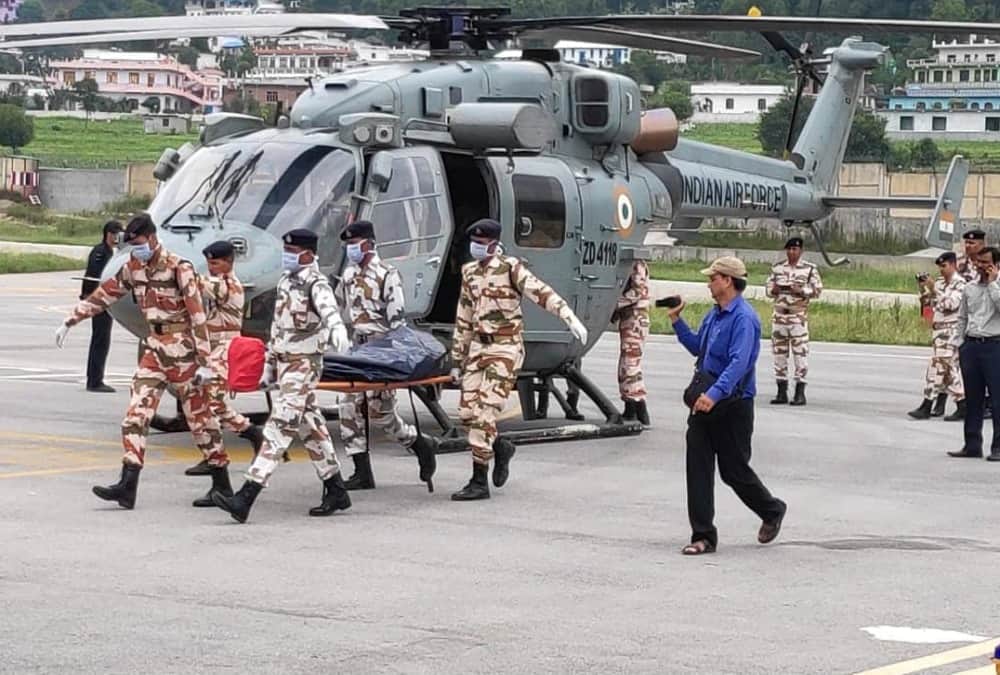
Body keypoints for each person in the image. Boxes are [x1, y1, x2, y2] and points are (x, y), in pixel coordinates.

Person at [54, 214, 230, 509]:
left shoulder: (179, 267)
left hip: (183, 353)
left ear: (151, 237)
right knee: (135, 416)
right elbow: (106, 294)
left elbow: (197, 316)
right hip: (155, 350)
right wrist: (72, 319)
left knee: (201, 421)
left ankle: (221, 485)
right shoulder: (134, 266)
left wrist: (204, 361)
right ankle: (127, 484)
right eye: (131, 245)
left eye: (138, 243)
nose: (135, 249)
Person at [213, 228, 352, 523]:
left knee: (279, 427)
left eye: (293, 252)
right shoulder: (287, 282)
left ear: (308, 254)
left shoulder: (317, 284)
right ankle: (336, 488)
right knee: (312, 426)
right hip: (285, 362)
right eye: (286, 251)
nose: (287, 256)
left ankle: (246, 495)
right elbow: (278, 329)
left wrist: (337, 329)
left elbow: (329, 311)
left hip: (304, 364)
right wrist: (269, 366)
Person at [449, 218, 589, 501]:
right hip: (477, 349)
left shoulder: (511, 269)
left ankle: (479, 480)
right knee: (467, 414)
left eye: (481, 242)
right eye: (473, 242)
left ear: (493, 243)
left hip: (505, 348)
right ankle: (500, 446)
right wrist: (456, 359)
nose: (476, 247)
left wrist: (567, 316)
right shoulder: (469, 273)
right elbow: (463, 316)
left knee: (485, 411)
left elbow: (541, 292)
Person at [668, 256, 787, 556]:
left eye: (713, 278)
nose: (709, 283)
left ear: (728, 281)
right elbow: (699, 348)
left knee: (733, 470)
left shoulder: (744, 319)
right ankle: (703, 536)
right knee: (698, 467)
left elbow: (739, 363)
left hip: (732, 404)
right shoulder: (714, 315)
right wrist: (676, 321)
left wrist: (715, 395)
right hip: (704, 401)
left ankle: (771, 509)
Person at [334, 220, 437, 492]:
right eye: (348, 245)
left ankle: (419, 443)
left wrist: (397, 356)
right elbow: (341, 311)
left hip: (382, 349)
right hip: (357, 349)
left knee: (381, 413)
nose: (351, 249)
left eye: (354, 244)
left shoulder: (387, 274)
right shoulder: (348, 275)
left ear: (369, 243)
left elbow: (396, 319)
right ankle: (361, 472)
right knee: (348, 407)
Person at [182, 240, 266, 493]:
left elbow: (196, 283)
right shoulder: (217, 283)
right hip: (211, 351)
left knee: (215, 403)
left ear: (229, 262)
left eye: (216, 262)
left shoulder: (228, 285)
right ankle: (212, 455)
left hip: (225, 351)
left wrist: (178, 266)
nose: (211, 266)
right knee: (199, 403)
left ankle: (251, 432)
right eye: (209, 262)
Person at [949, 246, 1000, 461]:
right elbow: (962, 318)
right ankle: (972, 444)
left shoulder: (997, 287)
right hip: (972, 346)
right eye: (978, 262)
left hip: (994, 346)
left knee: (997, 400)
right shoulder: (969, 288)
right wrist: (959, 343)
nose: (980, 266)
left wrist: (993, 283)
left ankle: (998, 447)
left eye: (986, 262)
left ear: (996, 265)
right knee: (973, 398)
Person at [908, 252, 966, 421]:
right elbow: (928, 304)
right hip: (938, 330)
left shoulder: (960, 284)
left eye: (944, 266)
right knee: (942, 368)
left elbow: (951, 304)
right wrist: (923, 288)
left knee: (943, 366)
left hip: (951, 330)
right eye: (939, 267)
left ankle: (935, 404)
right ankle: (938, 404)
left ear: (953, 265)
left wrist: (934, 290)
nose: (941, 270)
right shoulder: (940, 283)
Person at [765, 236, 822, 406]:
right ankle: (781, 391)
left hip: (797, 317)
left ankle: (800, 392)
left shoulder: (809, 269)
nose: (791, 252)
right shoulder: (777, 268)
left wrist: (802, 290)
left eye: (794, 249)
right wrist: (774, 290)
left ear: (800, 251)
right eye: (789, 249)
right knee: (779, 355)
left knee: (800, 355)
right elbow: (768, 289)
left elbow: (817, 290)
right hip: (780, 317)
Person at [81, 220, 123, 392]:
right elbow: (93, 276)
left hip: (107, 301)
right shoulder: (100, 252)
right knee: (100, 340)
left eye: (118, 234)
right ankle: (94, 380)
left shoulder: (114, 252)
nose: (115, 237)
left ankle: (96, 378)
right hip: (99, 301)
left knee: (102, 339)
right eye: (113, 234)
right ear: (106, 234)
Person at [614, 259, 651, 427]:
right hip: (629, 319)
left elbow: (636, 291)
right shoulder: (632, 264)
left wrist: (612, 305)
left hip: (636, 320)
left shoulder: (637, 265)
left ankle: (639, 409)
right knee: (625, 366)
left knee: (630, 365)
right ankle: (630, 408)